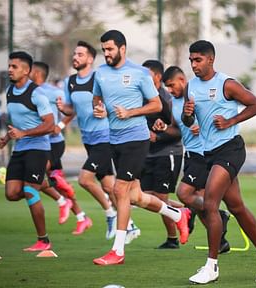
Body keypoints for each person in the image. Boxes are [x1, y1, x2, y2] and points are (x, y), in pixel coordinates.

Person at [182, 40, 256, 284]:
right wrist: (187, 114)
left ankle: (212, 266)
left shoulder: (227, 84)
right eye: (191, 60)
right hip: (208, 153)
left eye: (198, 60)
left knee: (210, 204)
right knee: (236, 208)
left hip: (231, 149)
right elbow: (187, 122)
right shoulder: (191, 87)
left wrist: (230, 121)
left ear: (210, 59)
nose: (193, 65)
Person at [92, 30, 190, 266]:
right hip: (114, 139)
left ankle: (118, 251)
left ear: (122, 49)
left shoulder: (139, 74)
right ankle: (178, 214)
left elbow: (156, 103)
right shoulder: (101, 74)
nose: (106, 53)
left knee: (120, 190)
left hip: (136, 139)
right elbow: (97, 99)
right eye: (104, 49)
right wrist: (99, 108)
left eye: (110, 49)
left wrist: (131, 112)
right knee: (135, 196)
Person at [161, 65, 230, 253]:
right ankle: (220, 242)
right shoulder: (172, 103)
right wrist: (163, 129)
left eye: (172, 85)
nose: (169, 90)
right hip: (189, 153)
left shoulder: (196, 95)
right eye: (166, 87)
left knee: (184, 194)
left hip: (203, 153)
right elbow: (176, 129)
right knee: (198, 199)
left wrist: (200, 125)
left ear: (182, 81)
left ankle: (220, 214)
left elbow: (212, 114)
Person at [57, 40, 119, 240]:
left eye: (80, 54)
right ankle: (130, 224)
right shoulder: (70, 82)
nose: (75, 57)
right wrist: (62, 109)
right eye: (75, 54)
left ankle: (110, 214)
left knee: (85, 179)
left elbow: (115, 103)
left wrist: (105, 111)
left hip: (105, 137)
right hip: (88, 139)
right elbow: (71, 109)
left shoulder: (99, 78)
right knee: (109, 186)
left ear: (91, 59)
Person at [0, 51, 54, 251]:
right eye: (9, 66)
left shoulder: (37, 93)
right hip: (20, 148)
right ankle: (43, 184)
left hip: (38, 148)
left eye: (14, 67)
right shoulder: (10, 91)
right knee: (12, 194)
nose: (10, 70)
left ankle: (43, 241)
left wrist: (25, 133)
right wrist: (7, 137)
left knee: (30, 190)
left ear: (27, 70)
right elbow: (16, 121)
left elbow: (50, 124)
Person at [30, 61, 92, 235]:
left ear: (36, 73)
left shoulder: (53, 92)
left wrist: (60, 126)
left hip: (53, 143)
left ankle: (62, 201)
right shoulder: (29, 92)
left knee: (36, 178)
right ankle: (81, 217)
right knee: (53, 181)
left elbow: (72, 111)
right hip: (37, 143)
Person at [140, 59, 185, 249]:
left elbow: (178, 131)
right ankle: (188, 209)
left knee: (160, 199)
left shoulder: (168, 99)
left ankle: (172, 239)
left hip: (168, 154)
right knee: (142, 196)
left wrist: (157, 136)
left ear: (157, 77)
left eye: (147, 75)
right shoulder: (143, 98)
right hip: (147, 154)